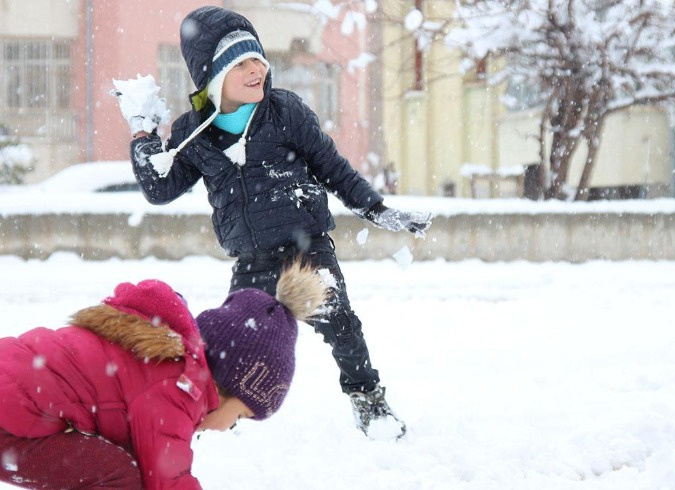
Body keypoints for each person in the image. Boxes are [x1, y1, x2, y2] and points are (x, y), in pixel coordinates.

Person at [113, 6, 432, 439]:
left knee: (342, 326)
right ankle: (211, 411)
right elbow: (160, 189)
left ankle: (369, 402)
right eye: (240, 63)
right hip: (252, 257)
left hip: (306, 249)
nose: (255, 69)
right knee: (227, 345)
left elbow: (332, 168)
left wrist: (377, 209)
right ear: (213, 76)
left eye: (258, 58)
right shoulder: (194, 132)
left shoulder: (285, 112)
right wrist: (143, 135)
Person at [0, 261, 326, 489]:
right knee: (117, 477)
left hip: (12, 400)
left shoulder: (168, 364)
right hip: (9, 421)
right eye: (240, 416)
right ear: (228, 385)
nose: (229, 428)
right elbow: (168, 481)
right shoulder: (179, 387)